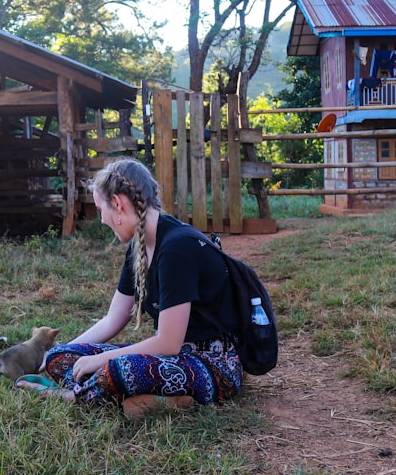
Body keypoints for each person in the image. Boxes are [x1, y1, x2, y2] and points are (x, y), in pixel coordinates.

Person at [15, 157, 243, 420]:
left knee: (120, 369)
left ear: (118, 204)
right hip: (169, 359)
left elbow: (168, 343)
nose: (102, 219)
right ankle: (153, 399)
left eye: (101, 209)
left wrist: (100, 361)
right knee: (61, 357)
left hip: (213, 366)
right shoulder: (138, 246)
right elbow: (114, 318)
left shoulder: (177, 249)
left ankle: (74, 395)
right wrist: (55, 354)